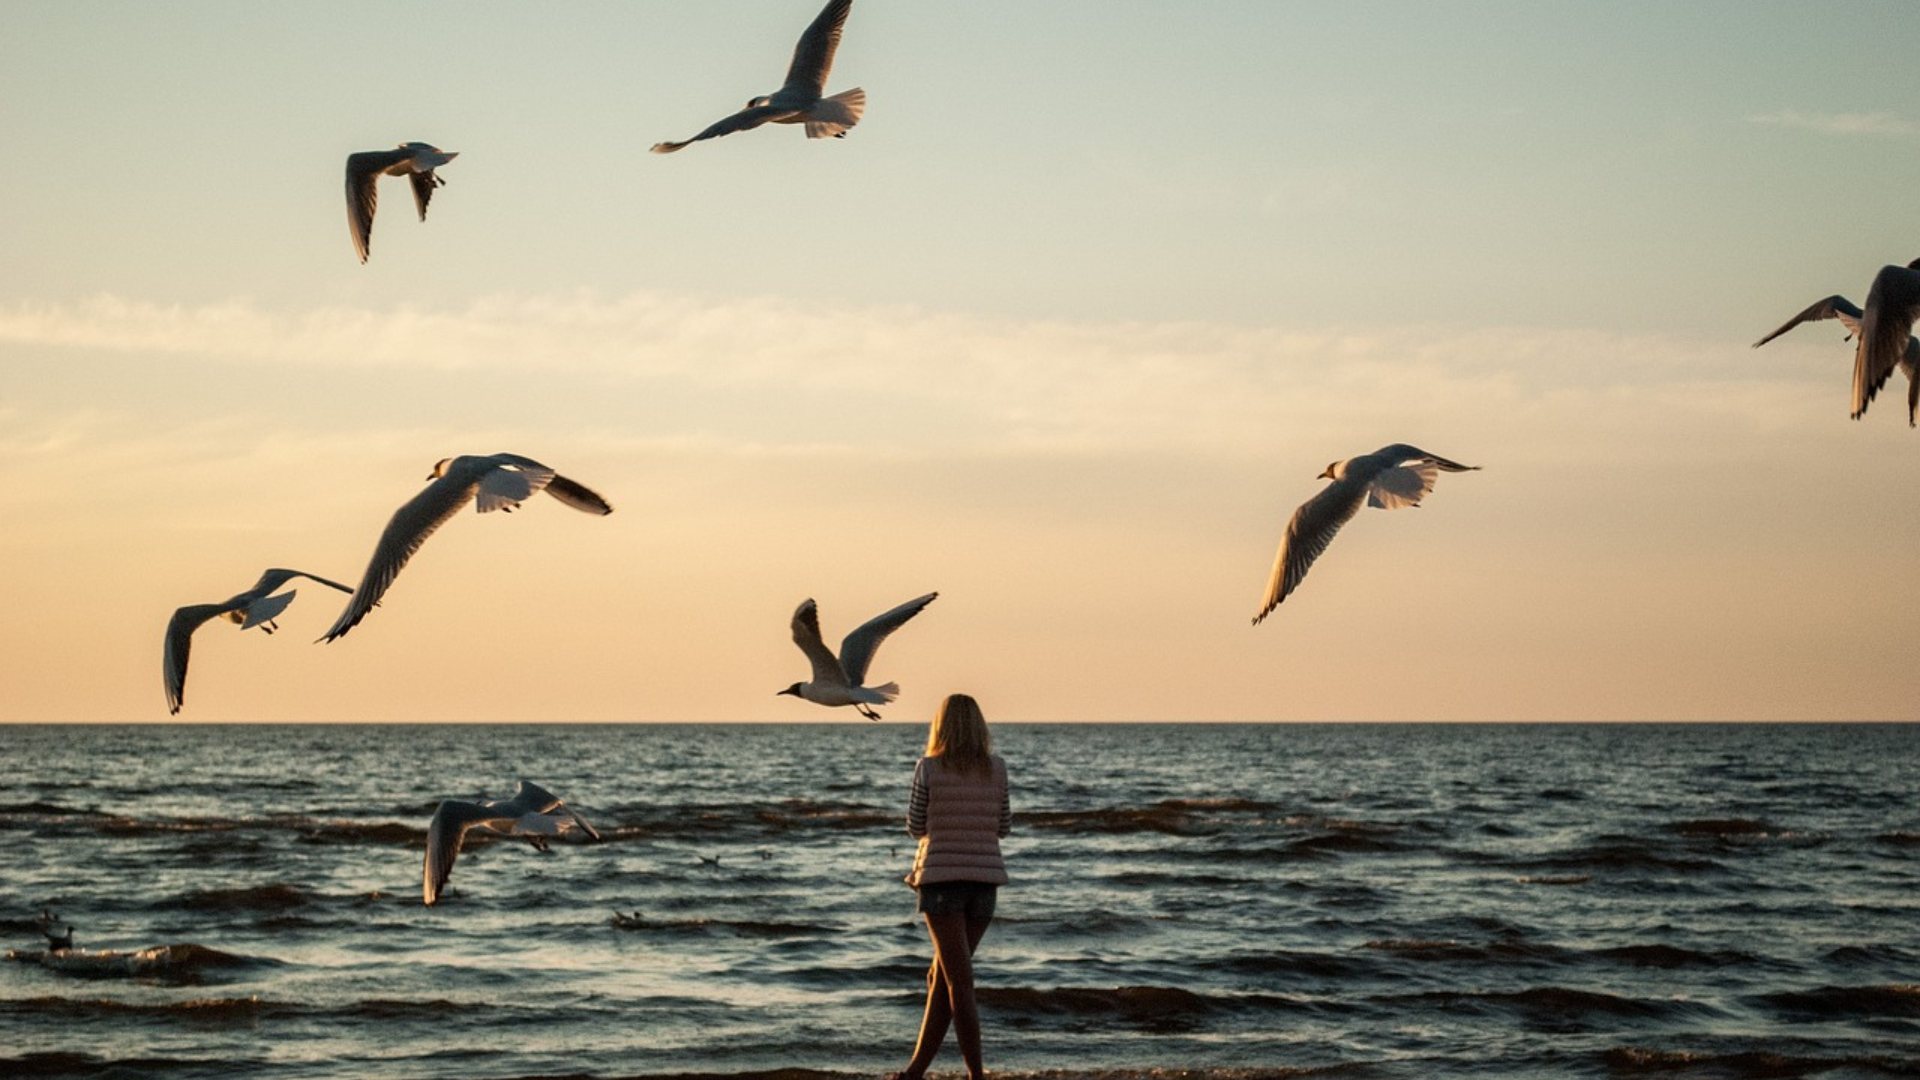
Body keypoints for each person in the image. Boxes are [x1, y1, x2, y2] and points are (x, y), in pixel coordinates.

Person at [890, 693, 1011, 1080]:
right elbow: (1003, 827)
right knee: (941, 977)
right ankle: (915, 1072)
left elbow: (915, 827)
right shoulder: (997, 769)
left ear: (940, 726)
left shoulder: (928, 768)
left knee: (958, 982)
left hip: (942, 881)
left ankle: (975, 1075)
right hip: (984, 884)